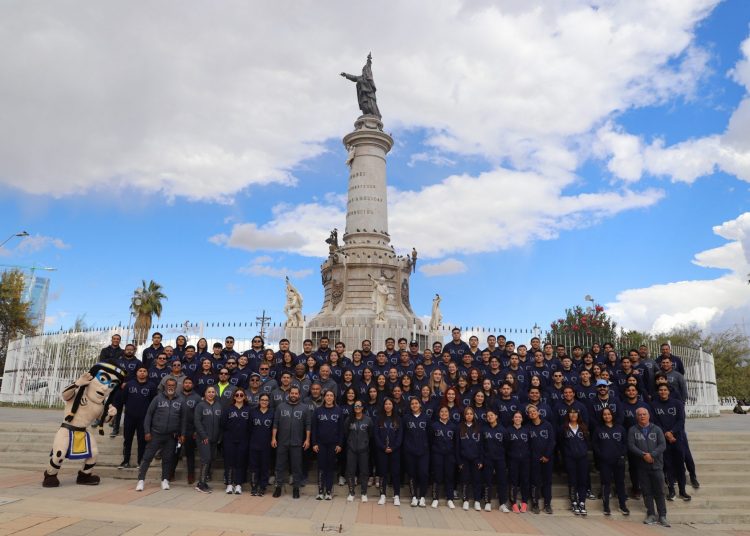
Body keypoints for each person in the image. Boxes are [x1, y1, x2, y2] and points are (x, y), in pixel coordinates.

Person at [136, 378, 184, 492]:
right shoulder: (157, 398)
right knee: (147, 458)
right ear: (165, 386)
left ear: (176, 386)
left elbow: (183, 419)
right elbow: (149, 415)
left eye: (173, 385)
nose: (170, 387)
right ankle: (141, 480)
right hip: (156, 434)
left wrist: (182, 434)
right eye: (169, 385)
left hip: (171, 436)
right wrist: (147, 431)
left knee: (167, 459)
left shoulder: (180, 400)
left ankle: (165, 480)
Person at [628, 407, 670, 527]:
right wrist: (643, 455)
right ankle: (651, 514)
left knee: (660, 491)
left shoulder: (657, 429)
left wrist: (652, 455)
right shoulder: (632, 430)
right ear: (636, 417)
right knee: (647, 492)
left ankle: (662, 516)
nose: (642, 416)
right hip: (642, 466)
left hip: (656, 465)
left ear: (649, 415)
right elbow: (631, 445)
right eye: (640, 414)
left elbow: (662, 445)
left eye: (644, 414)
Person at [651, 384, 692, 501]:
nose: (663, 392)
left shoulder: (677, 403)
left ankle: (682, 491)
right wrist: (666, 433)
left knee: (680, 465)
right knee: (667, 466)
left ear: (669, 392)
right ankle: (671, 491)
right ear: (658, 392)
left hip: (677, 438)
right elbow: (654, 421)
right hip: (663, 439)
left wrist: (672, 432)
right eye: (660, 390)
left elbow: (681, 420)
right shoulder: (653, 405)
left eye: (665, 390)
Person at [272, 386, 311, 499]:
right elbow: (275, 423)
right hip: (282, 442)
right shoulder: (280, 406)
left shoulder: (305, 408)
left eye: (296, 393)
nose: (293, 395)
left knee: (296, 466)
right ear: (289, 394)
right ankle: (278, 487)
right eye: (292, 393)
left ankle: (296, 488)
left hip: (297, 442)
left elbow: (308, 425)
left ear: (299, 395)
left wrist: (307, 439)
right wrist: (273, 438)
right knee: (279, 465)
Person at [593, 407, 630, 516]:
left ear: (612, 415)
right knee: (606, 484)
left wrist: (621, 455)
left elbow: (625, 443)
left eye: (609, 414)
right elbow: (595, 445)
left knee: (620, 483)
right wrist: (601, 455)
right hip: (605, 461)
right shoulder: (598, 429)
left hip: (618, 461)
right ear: (602, 416)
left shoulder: (620, 428)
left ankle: (623, 506)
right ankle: (606, 506)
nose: (607, 416)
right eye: (605, 414)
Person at [118, 365, 156, 469]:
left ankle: (140, 462)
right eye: (140, 371)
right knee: (127, 440)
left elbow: (153, 402)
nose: (142, 372)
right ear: (136, 373)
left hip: (144, 418)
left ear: (147, 373)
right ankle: (125, 461)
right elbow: (124, 399)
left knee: (142, 440)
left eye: (144, 371)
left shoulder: (151, 386)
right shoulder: (129, 384)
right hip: (129, 417)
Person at [311, 390, 344, 500]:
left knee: (330, 467)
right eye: (327, 395)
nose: (329, 397)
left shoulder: (339, 411)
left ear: (334, 398)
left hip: (333, 444)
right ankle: (320, 491)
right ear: (324, 397)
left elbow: (341, 430)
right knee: (321, 467)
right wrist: (314, 443)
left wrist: (340, 444)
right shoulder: (318, 411)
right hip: (320, 444)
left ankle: (329, 491)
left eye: (331, 396)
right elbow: (314, 428)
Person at [221, 387, 251, 494]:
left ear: (244, 397)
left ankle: (238, 484)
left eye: (241, 395)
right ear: (234, 397)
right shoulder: (228, 409)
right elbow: (223, 423)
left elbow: (250, 425)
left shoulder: (248, 409)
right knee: (229, 462)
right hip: (229, 439)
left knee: (241, 462)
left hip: (243, 440)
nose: (239, 396)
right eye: (237, 395)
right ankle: (229, 484)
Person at [560, 408, 589, 515]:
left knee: (582, 480)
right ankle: (574, 502)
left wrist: (584, 451)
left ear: (578, 414)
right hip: (570, 458)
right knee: (572, 481)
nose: (573, 414)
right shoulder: (564, 428)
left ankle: (582, 502)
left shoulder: (583, 427)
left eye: (575, 413)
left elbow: (587, 442)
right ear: (568, 415)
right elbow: (561, 443)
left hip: (582, 458)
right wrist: (566, 454)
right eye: (571, 413)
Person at [527, 405, 555, 514]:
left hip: (547, 458)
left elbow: (552, 441)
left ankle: (547, 504)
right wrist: (533, 456)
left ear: (538, 412)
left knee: (547, 482)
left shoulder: (547, 425)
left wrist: (547, 455)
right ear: (528, 415)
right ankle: (535, 504)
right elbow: (527, 444)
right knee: (535, 482)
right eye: (530, 412)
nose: (532, 413)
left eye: (534, 411)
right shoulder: (527, 427)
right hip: (534, 459)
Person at [194, 386, 222, 494]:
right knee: (205, 459)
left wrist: (219, 436)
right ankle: (201, 484)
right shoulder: (200, 405)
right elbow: (197, 422)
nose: (211, 394)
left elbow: (220, 422)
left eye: (213, 392)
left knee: (210, 459)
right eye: (209, 392)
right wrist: (204, 436)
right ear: (205, 393)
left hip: (214, 438)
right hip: (203, 438)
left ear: (215, 394)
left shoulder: (218, 405)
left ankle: (203, 482)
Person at [374, 398, 403, 505]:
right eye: (386, 404)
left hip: (395, 451)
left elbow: (400, 436)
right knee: (382, 473)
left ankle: (396, 495)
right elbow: (376, 435)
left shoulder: (398, 419)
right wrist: (383, 447)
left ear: (393, 406)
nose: (388, 406)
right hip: (382, 450)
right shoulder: (379, 419)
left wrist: (393, 448)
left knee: (395, 473)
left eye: (390, 404)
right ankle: (382, 495)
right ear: (383, 406)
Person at [403, 398, 430, 507]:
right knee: (412, 474)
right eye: (412, 403)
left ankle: (422, 497)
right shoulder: (406, 418)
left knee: (423, 473)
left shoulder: (426, 418)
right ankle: (414, 497)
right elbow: (403, 433)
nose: (414, 405)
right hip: (410, 451)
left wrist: (426, 446)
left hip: (424, 452)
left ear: (420, 405)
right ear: (410, 406)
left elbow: (430, 434)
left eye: (416, 403)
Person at [345, 400, 373, 502]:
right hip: (351, 449)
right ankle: (351, 493)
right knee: (350, 471)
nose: (357, 407)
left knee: (364, 471)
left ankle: (364, 493)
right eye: (355, 406)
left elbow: (370, 434)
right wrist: (350, 443)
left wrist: (365, 443)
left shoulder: (368, 420)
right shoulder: (349, 419)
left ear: (362, 407)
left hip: (364, 450)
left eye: (359, 406)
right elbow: (346, 433)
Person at [457, 407, 483, 511]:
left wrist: (480, 460)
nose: (469, 415)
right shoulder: (459, 427)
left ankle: (477, 501)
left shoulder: (478, 427)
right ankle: (465, 500)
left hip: (476, 459)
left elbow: (481, 446)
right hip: (464, 459)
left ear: (473, 415)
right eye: (467, 414)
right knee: (465, 480)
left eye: (471, 414)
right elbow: (457, 446)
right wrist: (459, 461)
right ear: (464, 415)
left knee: (477, 480)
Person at [482, 409, 509, 512]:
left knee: (502, 481)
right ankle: (487, 502)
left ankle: (502, 504)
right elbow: (481, 445)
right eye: (488, 416)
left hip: (500, 459)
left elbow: (506, 446)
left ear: (496, 416)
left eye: (492, 415)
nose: (490, 417)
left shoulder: (503, 430)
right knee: (487, 481)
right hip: (488, 459)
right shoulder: (484, 429)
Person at [177, 377, 201, 484]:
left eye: (189, 383)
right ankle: (170, 473)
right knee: (175, 452)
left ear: (193, 385)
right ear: (183, 384)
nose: (187, 384)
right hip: (177, 429)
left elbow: (199, 415)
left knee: (190, 453)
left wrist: (196, 430)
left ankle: (191, 475)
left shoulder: (197, 398)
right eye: (186, 383)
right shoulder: (177, 396)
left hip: (190, 430)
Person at [248, 393, 274, 496]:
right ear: (259, 401)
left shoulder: (272, 413)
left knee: (265, 467)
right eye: (262, 400)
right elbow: (249, 428)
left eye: (266, 400)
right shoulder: (253, 412)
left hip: (266, 445)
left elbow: (274, 428)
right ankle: (254, 486)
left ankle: (263, 487)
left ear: (269, 402)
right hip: (254, 443)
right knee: (254, 466)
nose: (264, 402)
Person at [506, 410, 530, 513]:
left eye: (519, 417)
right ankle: (513, 503)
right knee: (513, 481)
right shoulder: (508, 430)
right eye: (516, 417)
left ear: (522, 419)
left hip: (525, 460)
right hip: (513, 460)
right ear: (513, 419)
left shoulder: (526, 430)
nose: (518, 419)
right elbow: (506, 446)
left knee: (525, 480)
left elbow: (530, 445)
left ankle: (524, 502)